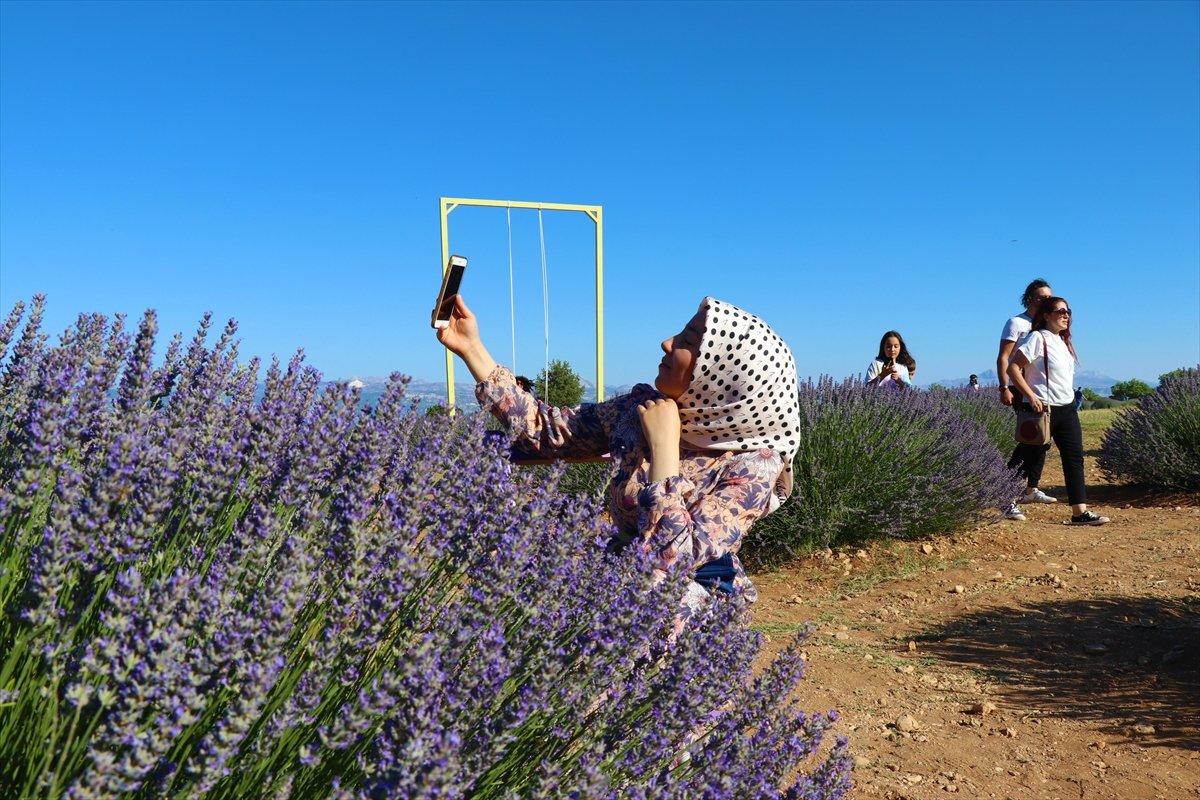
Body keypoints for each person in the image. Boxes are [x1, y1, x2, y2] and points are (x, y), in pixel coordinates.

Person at [435, 294, 801, 628]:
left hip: (687, 604)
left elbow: (671, 559)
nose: (667, 342)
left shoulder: (754, 465)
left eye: (687, 342)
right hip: (621, 573)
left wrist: (665, 451)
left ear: (722, 377)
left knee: (652, 597)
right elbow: (549, 432)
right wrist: (472, 349)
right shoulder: (638, 409)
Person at [1007, 297, 1109, 526]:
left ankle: (1079, 512)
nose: (1066, 315)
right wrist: (1031, 396)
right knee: (1028, 456)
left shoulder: (1062, 341)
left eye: (1068, 311)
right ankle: (1004, 498)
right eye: (1060, 311)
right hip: (1042, 408)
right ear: (1045, 314)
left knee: (1074, 458)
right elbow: (1013, 367)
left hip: (1067, 408)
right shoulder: (1037, 338)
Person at [997, 278, 1056, 520]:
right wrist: (1004, 387)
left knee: (1043, 440)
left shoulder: (1046, 325)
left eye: (1049, 297)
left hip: (1044, 391)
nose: (1046, 301)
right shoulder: (1016, 323)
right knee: (1029, 439)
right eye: (1042, 297)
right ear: (1030, 298)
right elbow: (1004, 358)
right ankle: (1005, 494)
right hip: (1022, 389)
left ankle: (1031, 488)